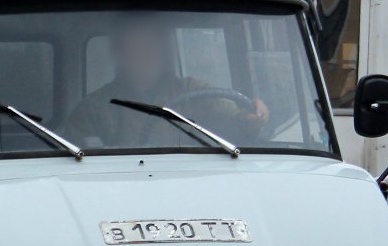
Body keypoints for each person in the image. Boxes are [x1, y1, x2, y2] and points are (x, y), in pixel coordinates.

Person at [63, 15, 268, 147]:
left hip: (190, 186)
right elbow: (76, 160)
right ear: (118, 51)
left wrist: (251, 119)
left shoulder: (193, 92)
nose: (146, 53)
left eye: (153, 44)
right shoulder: (94, 109)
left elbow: (232, 121)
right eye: (136, 45)